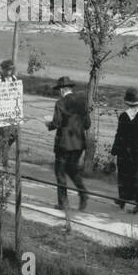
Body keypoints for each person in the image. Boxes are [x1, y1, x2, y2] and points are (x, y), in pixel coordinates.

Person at [46, 76, 90, 211]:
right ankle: (83, 193)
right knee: (72, 170)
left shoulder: (60, 103)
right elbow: (87, 124)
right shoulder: (83, 102)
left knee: (60, 173)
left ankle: (63, 203)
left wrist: (49, 124)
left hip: (64, 144)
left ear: (62, 90)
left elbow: (57, 123)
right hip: (78, 143)